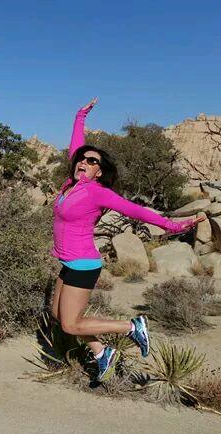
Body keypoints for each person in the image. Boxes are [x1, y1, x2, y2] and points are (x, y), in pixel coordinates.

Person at [52, 98, 202, 381]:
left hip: (83, 264)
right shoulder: (71, 184)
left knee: (70, 324)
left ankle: (131, 327)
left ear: (99, 171)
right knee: (57, 314)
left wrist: (174, 224)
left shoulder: (98, 192)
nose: (83, 162)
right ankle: (101, 352)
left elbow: (138, 211)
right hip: (67, 262)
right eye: (82, 159)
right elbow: (76, 147)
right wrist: (80, 115)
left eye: (91, 161)